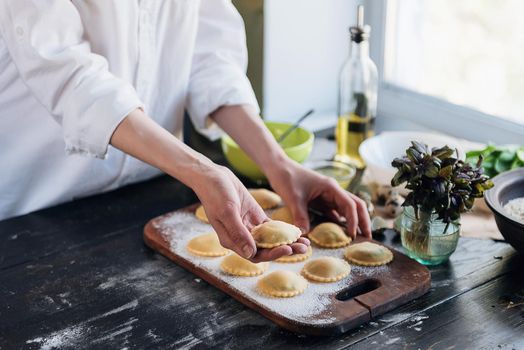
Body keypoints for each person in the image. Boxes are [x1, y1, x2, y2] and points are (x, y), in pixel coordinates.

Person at [0, 0, 370, 262]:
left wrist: (279, 165)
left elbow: (209, 56)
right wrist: (202, 170)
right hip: (37, 209)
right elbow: (71, 76)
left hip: (150, 193)